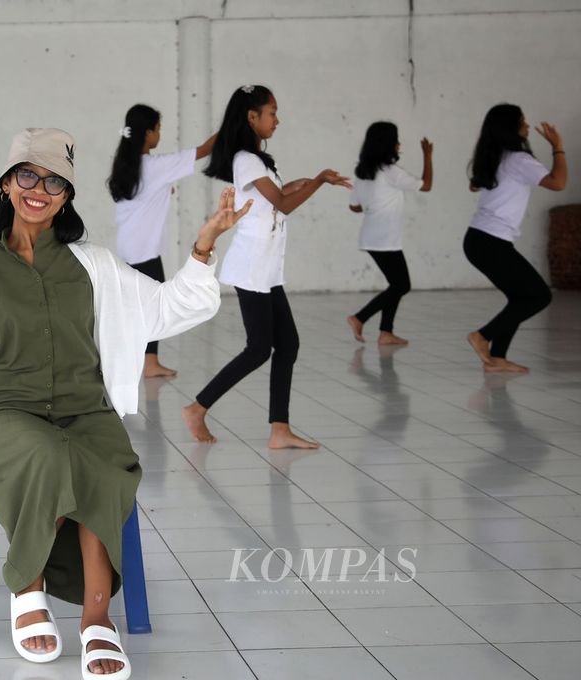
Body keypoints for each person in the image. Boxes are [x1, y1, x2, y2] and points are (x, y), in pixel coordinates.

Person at [0, 128, 249, 680]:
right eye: (28, 175)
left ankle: (96, 620)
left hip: (87, 412)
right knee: (46, 455)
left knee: (104, 463)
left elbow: (169, 308)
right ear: (7, 184)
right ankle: (28, 589)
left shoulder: (95, 266)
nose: (40, 188)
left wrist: (203, 245)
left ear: (66, 195)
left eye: (55, 180)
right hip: (8, 417)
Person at [181, 84, 350, 448]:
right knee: (260, 347)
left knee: (287, 344)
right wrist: (318, 181)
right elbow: (283, 206)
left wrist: (296, 184)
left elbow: (271, 199)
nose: (277, 119)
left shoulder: (257, 160)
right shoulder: (246, 159)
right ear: (252, 116)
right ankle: (197, 408)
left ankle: (279, 429)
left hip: (266, 268)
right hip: (252, 266)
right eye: (272, 112)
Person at [108, 103, 217, 377]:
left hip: (128, 249)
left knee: (135, 308)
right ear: (147, 133)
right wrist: (232, 126)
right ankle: (149, 363)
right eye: (158, 129)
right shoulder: (155, 166)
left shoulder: (126, 165)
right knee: (153, 308)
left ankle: (141, 361)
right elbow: (203, 151)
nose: (160, 134)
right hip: (145, 252)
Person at [464, 104, 567, 373]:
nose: (526, 125)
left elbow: (474, 184)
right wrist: (558, 147)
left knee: (520, 296)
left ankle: (497, 358)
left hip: (479, 240)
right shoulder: (519, 160)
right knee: (540, 296)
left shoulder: (494, 156)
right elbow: (558, 183)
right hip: (490, 241)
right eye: (522, 121)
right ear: (510, 127)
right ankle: (483, 336)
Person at [346, 122, 433, 345]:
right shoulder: (391, 172)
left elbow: (354, 207)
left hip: (373, 236)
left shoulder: (363, 172)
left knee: (396, 284)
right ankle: (359, 318)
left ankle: (386, 332)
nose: (399, 144)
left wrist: (372, 202)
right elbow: (426, 185)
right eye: (396, 140)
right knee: (402, 285)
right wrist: (427, 155)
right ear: (389, 144)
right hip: (384, 238)